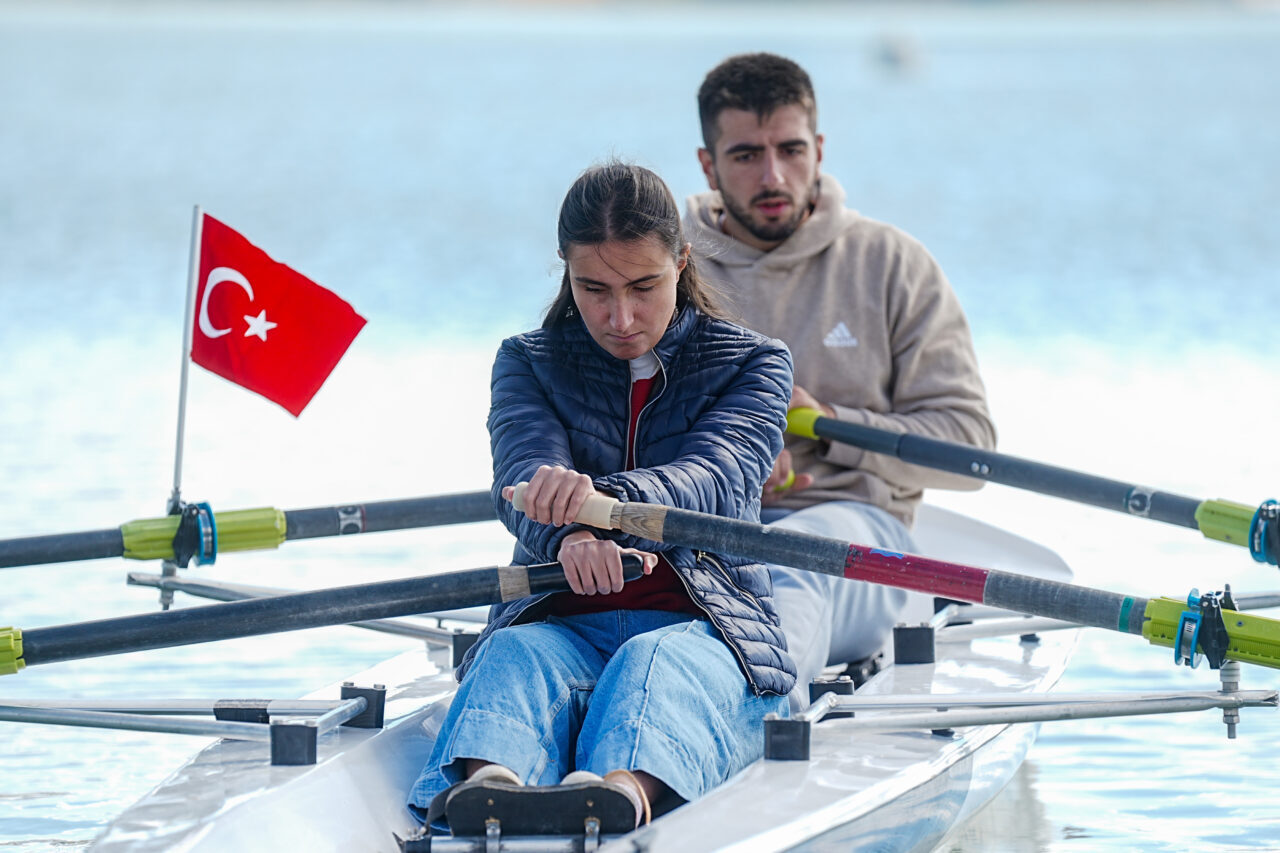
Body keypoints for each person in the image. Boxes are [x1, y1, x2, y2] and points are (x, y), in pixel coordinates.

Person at [408, 161, 796, 833]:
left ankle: (622, 794)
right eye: (593, 288)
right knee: (514, 652)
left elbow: (717, 477)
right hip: (565, 622)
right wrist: (567, 535)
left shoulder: (753, 363)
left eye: (644, 286)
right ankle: (491, 789)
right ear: (566, 270)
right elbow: (522, 471)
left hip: (709, 630)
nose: (620, 316)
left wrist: (600, 511)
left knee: (653, 663)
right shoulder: (528, 361)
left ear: (681, 259)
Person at [686, 53, 997, 713]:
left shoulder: (891, 265)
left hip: (860, 535)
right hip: (695, 531)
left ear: (819, 149)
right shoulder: (663, 271)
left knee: (788, 563)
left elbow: (971, 449)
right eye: (745, 155)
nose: (773, 175)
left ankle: (749, 720)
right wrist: (719, 463)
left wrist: (828, 426)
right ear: (708, 165)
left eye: (791, 150)